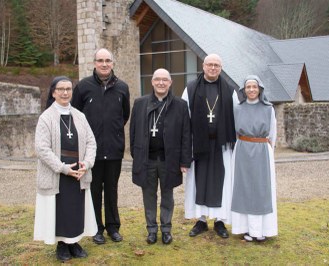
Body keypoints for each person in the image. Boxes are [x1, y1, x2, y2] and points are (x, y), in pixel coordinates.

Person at [34, 76, 97, 262]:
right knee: (60, 210)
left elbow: (91, 142)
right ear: (53, 92)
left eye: (68, 89)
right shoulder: (46, 117)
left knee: (77, 209)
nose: (65, 92)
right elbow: (41, 149)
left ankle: (75, 242)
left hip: (78, 171)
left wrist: (87, 163)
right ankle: (62, 245)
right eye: (61, 89)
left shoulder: (80, 116)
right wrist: (63, 168)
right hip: (58, 172)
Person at [71, 48, 130, 244]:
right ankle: (97, 229)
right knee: (94, 190)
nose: (104, 64)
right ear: (94, 63)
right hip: (91, 153)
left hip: (114, 150)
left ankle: (113, 228)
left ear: (113, 63)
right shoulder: (83, 87)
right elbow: (76, 115)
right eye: (100, 60)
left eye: (108, 60)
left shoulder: (122, 87)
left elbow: (124, 115)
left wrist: (113, 133)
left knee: (112, 190)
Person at [130, 68, 192, 245]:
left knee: (167, 196)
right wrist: (137, 155)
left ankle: (166, 230)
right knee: (148, 196)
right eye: (157, 79)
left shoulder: (180, 105)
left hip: (169, 159)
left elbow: (186, 135)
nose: (161, 83)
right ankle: (151, 230)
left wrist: (184, 161)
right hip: (147, 159)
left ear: (170, 83)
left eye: (165, 80)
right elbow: (133, 132)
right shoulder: (140, 103)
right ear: (152, 82)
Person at [182, 54, 236, 238]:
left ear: (221, 68)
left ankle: (220, 221)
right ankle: (201, 221)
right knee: (198, 181)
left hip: (222, 145)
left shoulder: (230, 90)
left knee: (222, 182)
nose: (213, 68)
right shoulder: (190, 89)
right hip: (198, 144)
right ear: (203, 66)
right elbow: (184, 118)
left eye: (217, 65)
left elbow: (237, 118)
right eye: (210, 64)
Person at [231, 75, 278, 242]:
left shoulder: (268, 108)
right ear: (244, 90)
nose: (251, 90)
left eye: (254, 87)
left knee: (261, 189)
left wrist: (267, 150)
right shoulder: (238, 108)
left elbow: (272, 133)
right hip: (242, 149)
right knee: (243, 188)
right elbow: (235, 131)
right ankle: (245, 228)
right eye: (248, 87)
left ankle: (262, 229)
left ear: (260, 89)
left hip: (262, 151)